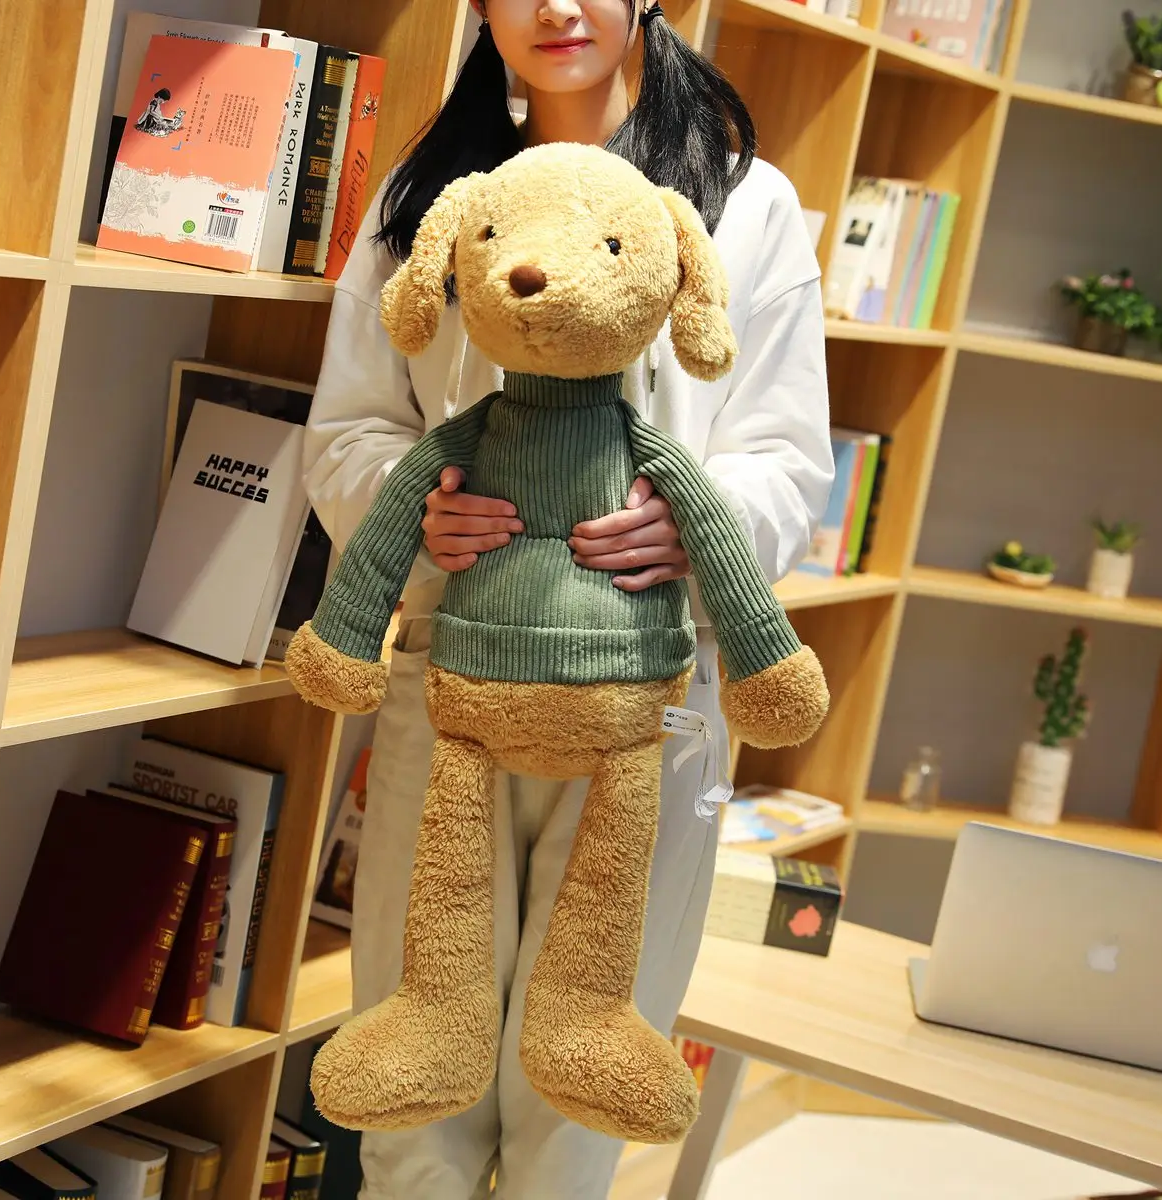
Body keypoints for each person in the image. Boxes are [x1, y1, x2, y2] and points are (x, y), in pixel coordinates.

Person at [302, 2, 833, 1196]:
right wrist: (416, 500)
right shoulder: (426, 199)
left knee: (575, 1107)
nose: (554, 7)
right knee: (417, 1100)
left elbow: (790, 456)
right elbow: (346, 429)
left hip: (652, 697)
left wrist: (695, 525)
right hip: (453, 678)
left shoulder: (744, 203)